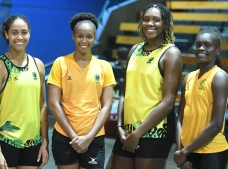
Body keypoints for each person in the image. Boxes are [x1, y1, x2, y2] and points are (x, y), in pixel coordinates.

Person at [106, 3, 183, 169]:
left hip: (155, 133)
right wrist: (120, 127)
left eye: (156, 20)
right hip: (127, 131)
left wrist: (138, 134)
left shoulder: (171, 53)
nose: (150, 23)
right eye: (146, 19)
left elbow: (168, 103)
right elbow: (125, 94)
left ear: (165, 24)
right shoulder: (134, 49)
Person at [47, 12, 116, 169]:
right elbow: (53, 104)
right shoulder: (61, 63)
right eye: (80, 36)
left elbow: (106, 106)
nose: (84, 41)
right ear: (73, 36)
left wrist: (88, 138)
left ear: (95, 38)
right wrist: (74, 136)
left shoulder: (104, 67)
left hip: (94, 137)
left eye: (89, 36)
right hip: (65, 136)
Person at [0, 14, 49, 169]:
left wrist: (44, 141)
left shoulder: (38, 65)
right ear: (6, 34)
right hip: (5, 142)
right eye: (14, 32)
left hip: (33, 143)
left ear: (29, 33)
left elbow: (43, 106)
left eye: (24, 32)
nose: (20, 37)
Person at [174, 28, 228, 169]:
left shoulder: (219, 77)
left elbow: (216, 124)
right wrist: (181, 153)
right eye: (198, 45)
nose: (201, 48)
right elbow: (180, 119)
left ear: (217, 50)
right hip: (187, 152)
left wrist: (184, 152)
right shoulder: (188, 77)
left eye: (207, 45)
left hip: (211, 153)